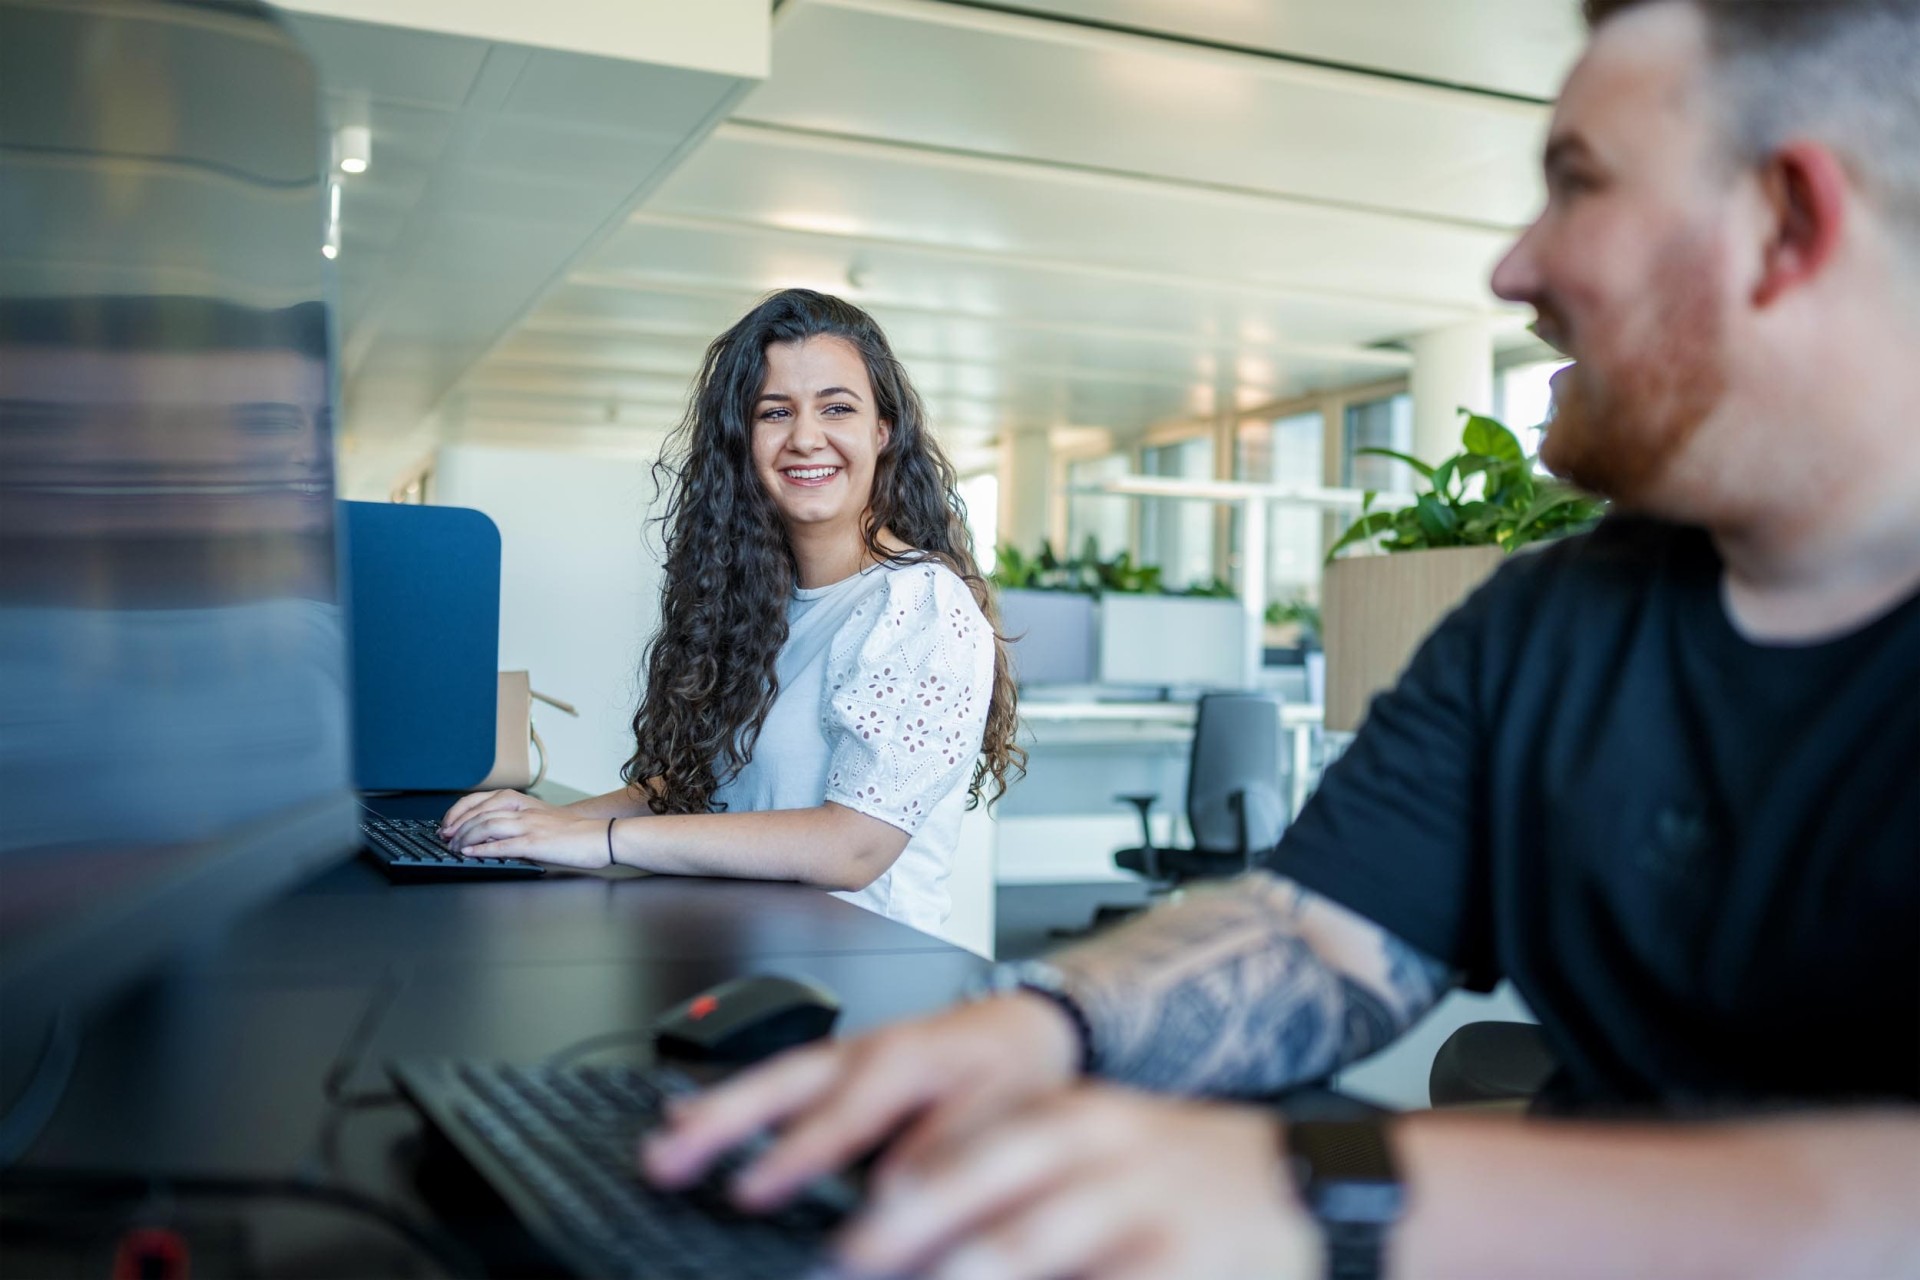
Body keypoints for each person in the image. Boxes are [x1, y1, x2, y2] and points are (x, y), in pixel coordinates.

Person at [640, 2, 1920, 1276]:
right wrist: (1024, 1030)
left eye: (1578, 187)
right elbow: (1318, 934)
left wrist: (1320, 1190)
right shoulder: (1548, 627)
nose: (1513, 269)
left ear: (1785, 224)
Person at [440, 289, 1022, 935]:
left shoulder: (917, 604)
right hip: (740, 959)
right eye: (775, 412)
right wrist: (533, 822)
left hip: (864, 981)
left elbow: (853, 846)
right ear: (741, 439)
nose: (806, 438)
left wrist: (597, 840)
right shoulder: (761, 604)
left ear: (882, 432)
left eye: (837, 408)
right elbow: (702, 791)